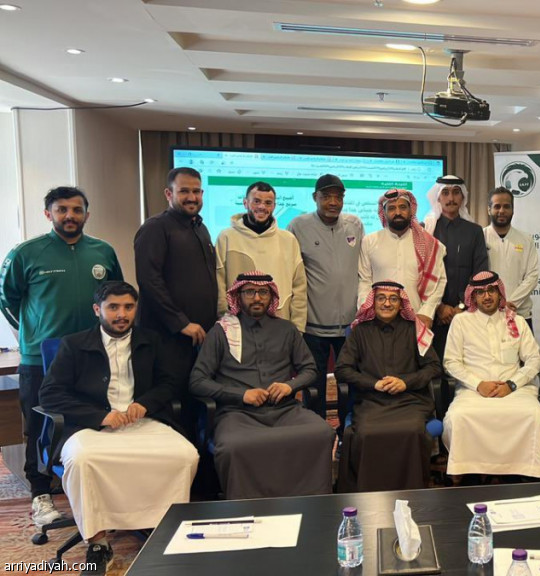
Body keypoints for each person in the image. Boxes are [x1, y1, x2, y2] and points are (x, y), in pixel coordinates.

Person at [39, 282, 198, 576]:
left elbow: (170, 383)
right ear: (97, 310)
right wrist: (100, 416)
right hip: (90, 428)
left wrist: (145, 404)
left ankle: (165, 532)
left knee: (184, 455)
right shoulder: (73, 344)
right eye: (113, 307)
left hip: (144, 422)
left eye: (128, 307)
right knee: (83, 460)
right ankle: (98, 544)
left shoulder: (152, 341)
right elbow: (50, 394)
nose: (122, 314)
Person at [1, 186, 123, 528]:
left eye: (76, 210)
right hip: (40, 358)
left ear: (87, 214)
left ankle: (95, 492)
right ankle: (40, 494)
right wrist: (31, 332)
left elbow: (114, 298)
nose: (70, 216)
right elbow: (7, 299)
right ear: (48, 214)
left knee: (94, 419)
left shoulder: (103, 251)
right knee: (40, 425)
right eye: (61, 210)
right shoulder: (26, 253)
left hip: (93, 355)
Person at [190, 271, 334, 500]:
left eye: (263, 292)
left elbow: (310, 369)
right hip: (238, 413)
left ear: (271, 296)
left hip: (284, 410)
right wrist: (241, 395)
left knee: (322, 432)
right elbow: (197, 381)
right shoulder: (221, 331)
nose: (257, 298)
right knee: (233, 445)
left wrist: (290, 386)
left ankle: (310, 502)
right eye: (249, 292)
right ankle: (246, 507)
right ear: (238, 296)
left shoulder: (286, 329)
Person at [335, 281, 443, 492]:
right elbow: (342, 370)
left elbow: (434, 366)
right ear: (373, 302)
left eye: (393, 299)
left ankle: (413, 492)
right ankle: (369, 494)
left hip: (410, 401)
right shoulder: (360, 331)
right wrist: (373, 383)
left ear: (401, 303)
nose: (387, 303)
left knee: (412, 430)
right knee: (366, 432)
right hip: (371, 401)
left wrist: (405, 382)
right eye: (381, 298)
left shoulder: (415, 329)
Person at [443, 271, 540, 480]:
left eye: (491, 290)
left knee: (535, 417)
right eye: (480, 292)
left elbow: (534, 360)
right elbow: (451, 362)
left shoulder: (517, 321)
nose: (487, 296)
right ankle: (470, 475)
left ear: (500, 293)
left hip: (514, 391)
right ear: (473, 296)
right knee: (457, 418)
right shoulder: (461, 322)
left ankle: (519, 474)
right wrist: (478, 384)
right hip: (473, 392)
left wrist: (512, 384)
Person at [134, 167, 218, 404]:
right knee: (171, 403)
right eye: (184, 191)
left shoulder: (200, 228)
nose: (192, 197)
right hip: (167, 337)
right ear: (168, 194)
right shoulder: (155, 228)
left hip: (198, 336)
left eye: (196, 191)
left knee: (196, 400)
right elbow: (149, 281)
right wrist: (181, 323)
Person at [287, 174, 364, 418]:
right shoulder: (298, 226)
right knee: (314, 385)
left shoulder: (355, 224)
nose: (333, 202)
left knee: (351, 383)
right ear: (315, 197)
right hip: (313, 325)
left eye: (338, 197)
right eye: (326, 196)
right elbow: (291, 271)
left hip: (350, 325)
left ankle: (347, 428)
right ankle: (317, 429)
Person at [215, 181, 307, 331]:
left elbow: (299, 289)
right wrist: (225, 323)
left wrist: (298, 329)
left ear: (274, 206)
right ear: (245, 203)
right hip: (237, 327)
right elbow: (220, 285)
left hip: (281, 326)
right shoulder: (226, 237)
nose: (262, 207)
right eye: (256, 201)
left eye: (268, 203)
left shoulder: (288, 240)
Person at [358, 188, 447, 328]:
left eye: (403, 207)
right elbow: (365, 281)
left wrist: (427, 312)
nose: (398, 212)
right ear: (384, 213)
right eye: (391, 208)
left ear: (411, 211)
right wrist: (366, 311)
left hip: (416, 320)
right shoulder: (369, 241)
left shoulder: (429, 244)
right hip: (378, 321)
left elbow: (439, 282)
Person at [424, 175, 488, 359]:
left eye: (455, 193)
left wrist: (462, 306)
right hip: (433, 314)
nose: (450, 198)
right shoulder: (426, 230)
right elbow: (420, 275)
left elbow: (480, 273)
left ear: (463, 197)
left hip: (467, 314)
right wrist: (439, 307)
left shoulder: (475, 231)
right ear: (437, 197)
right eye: (445, 193)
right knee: (434, 366)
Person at [483, 187, 539, 329]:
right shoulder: (480, 237)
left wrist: (511, 303)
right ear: (489, 209)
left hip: (520, 314)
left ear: (513, 210)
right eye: (497, 206)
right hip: (488, 315)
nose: (502, 211)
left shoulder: (526, 239)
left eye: (506, 206)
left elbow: (532, 276)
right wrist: (497, 304)